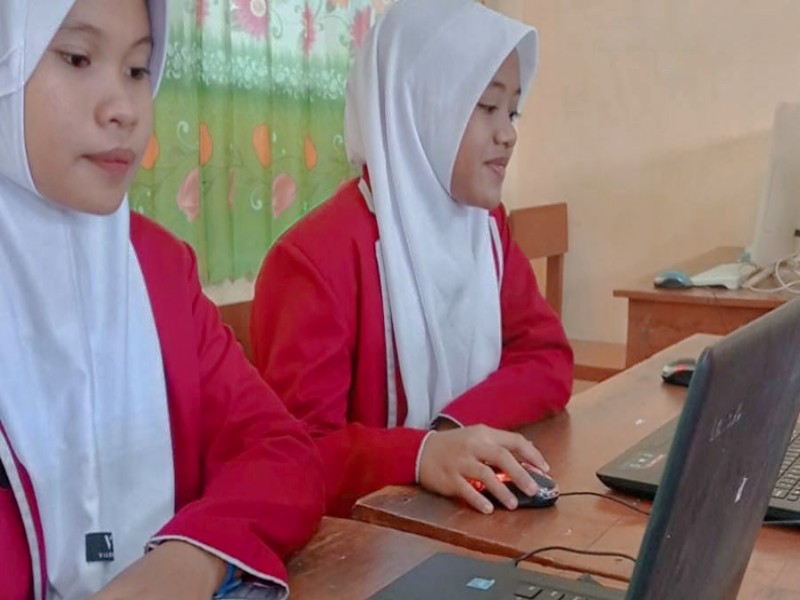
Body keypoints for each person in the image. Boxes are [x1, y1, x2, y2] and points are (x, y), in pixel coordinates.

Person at [0, 0, 324, 598]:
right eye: (77, 58)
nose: (123, 109)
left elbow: (282, 453)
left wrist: (192, 556)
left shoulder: (160, 268)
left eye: (137, 70)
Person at [250, 0, 573, 518]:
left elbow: (548, 358)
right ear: (421, 107)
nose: (509, 133)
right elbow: (299, 455)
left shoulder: (485, 229)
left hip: (466, 515)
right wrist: (422, 453)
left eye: (512, 111)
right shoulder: (314, 260)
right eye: (487, 106)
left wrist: (453, 429)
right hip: (362, 544)